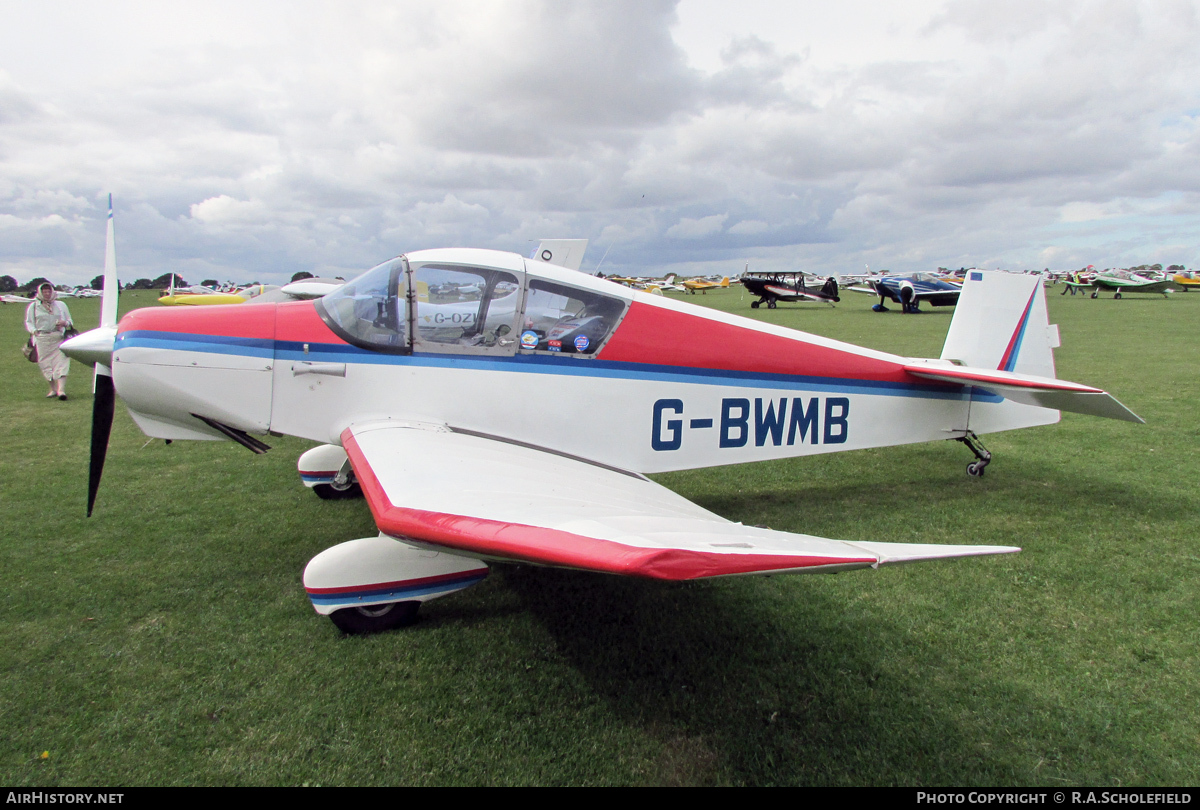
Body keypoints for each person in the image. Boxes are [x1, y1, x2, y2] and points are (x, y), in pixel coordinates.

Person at [25, 282, 73, 400]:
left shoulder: (61, 305)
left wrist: (64, 323)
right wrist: (34, 331)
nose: (47, 294)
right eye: (44, 292)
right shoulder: (34, 306)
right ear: (40, 292)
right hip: (42, 338)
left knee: (62, 362)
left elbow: (69, 321)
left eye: (49, 291)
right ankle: (52, 389)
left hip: (58, 337)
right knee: (46, 363)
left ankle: (61, 390)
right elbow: (29, 322)